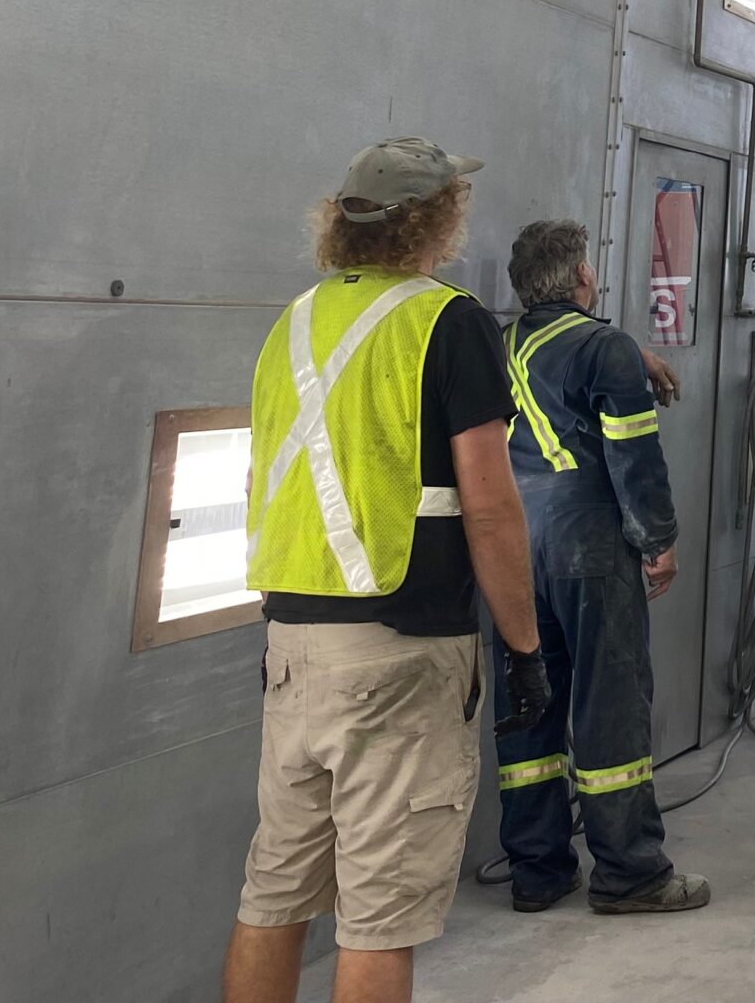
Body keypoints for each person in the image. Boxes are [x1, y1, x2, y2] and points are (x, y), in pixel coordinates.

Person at [226, 139, 552, 1003]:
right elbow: (490, 506)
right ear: (438, 219)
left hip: (291, 647)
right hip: (400, 654)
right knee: (379, 916)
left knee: (274, 894)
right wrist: (523, 648)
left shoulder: (294, 322)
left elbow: (265, 478)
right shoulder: (448, 321)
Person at [492, 219, 712, 915]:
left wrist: (624, 349)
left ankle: (538, 871)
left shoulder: (496, 345)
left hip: (512, 550)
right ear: (584, 275)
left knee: (529, 703)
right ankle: (629, 874)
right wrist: (658, 540)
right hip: (587, 545)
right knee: (609, 704)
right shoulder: (604, 348)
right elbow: (634, 456)